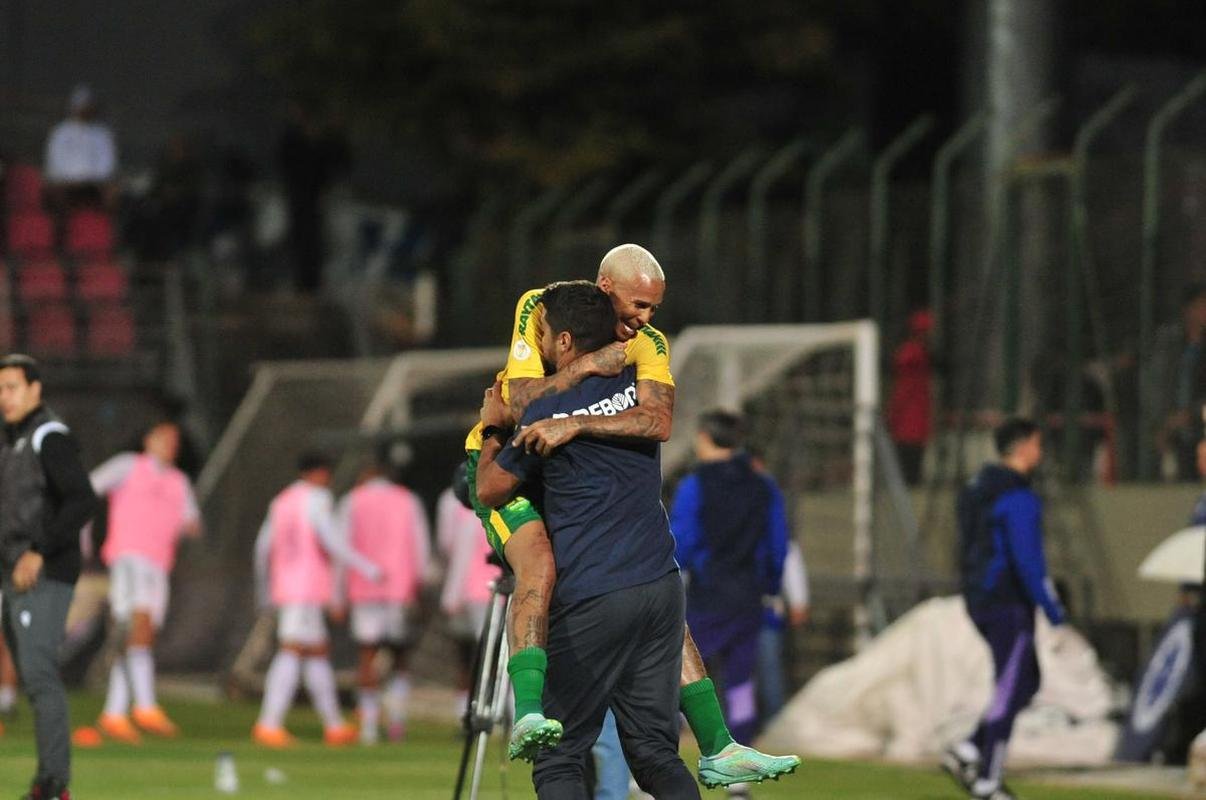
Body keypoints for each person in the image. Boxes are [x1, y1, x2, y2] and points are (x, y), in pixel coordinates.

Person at [463, 245, 793, 785]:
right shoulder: (542, 307)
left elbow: (658, 421)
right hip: (504, 454)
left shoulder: (648, 343)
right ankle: (528, 710)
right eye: (639, 304)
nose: (645, 318)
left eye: (654, 308)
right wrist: (582, 373)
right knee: (540, 565)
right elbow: (520, 406)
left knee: (648, 573)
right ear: (605, 289)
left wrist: (576, 422)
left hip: (561, 467)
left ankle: (717, 742)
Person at [475, 281, 701, 798]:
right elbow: (658, 420)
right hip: (661, 590)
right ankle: (720, 744)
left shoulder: (545, 412)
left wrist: (492, 430)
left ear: (564, 341)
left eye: (545, 337)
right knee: (656, 754)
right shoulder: (638, 396)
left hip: (596, 592)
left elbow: (490, 489)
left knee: (559, 758)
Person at [943, 418, 1067, 800]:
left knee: (1026, 681)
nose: (1040, 453)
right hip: (1008, 601)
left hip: (979, 596)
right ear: (1024, 446)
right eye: (1037, 444)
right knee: (1010, 689)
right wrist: (1051, 606)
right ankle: (989, 781)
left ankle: (969, 748)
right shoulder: (1017, 495)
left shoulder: (976, 487)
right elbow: (1027, 558)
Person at [670, 410, 790, 799]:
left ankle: (655, 767)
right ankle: (739, 780)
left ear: (705, 437)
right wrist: (768, 585)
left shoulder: (695, 485)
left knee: (678, 679)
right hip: (748, 598)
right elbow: (777, 543)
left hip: (706, 596)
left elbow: (681, 541)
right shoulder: (763, 486)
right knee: (740, 685)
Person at [0, 354, 98, 800]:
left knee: (39, 673)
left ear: (35, 389)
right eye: (0, 390)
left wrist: (39, 551)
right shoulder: (12, 440)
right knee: (32, 674)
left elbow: (82, 500)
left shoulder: (48, 436)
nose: (5, 398)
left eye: (12, 388)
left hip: (43, 572)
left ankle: (55, 786)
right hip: (13, 571)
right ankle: (47, 783)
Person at [251, 451, 381, 748]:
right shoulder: (318, 499)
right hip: (305, 587)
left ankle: (334, 725)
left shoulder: (282, 500)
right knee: (292, 649)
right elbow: (331, 540)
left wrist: (264, 588)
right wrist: (367, 567)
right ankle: (268, 724)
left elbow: (262, 546)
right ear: (320, 473)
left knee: (316, 652)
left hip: (286, 586)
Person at [89, 420, 200, 742]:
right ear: (148, 440)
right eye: (164, 438)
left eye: (175, 440)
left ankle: (114, 714)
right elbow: (89, 486)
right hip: (129, 556)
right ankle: (146, 704)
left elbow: (191, 521)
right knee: (139, 624)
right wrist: (81, 530)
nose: (170, 444)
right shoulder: (128, 465)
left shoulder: (179, 481)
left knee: (139, 635)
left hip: (159, 564)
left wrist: (182, 526)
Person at [336, 459, 431, 745]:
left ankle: (368, 726)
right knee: (400, 658)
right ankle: (397, 723)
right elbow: (421, 546)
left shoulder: (352, 501)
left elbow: (341, 547)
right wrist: (419, 585)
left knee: (367, 657)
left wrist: (337, 593)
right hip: (400, 589)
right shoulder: (408, 501)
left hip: (364, 589)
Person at [436, 468, 501, 716]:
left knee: (481, 655)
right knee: (500, 656)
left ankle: (477, 711)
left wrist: (451, 597)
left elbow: (459, 559)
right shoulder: (509, 513)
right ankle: (493, 711)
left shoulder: (473, 518)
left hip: (477, 594)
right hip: (500, 593)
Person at [1151, 284, 1206, 481]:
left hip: (1199, 428)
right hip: (1171, 431)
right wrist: (1162, 423)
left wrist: (1191, 414)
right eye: (1201, 306)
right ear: (1187, 309)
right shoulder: (1169, 344)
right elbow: (1157, 385)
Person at [757, 540, 809, 723]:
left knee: (769, 673)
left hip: (765, 614)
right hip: (733, 612)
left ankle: (773, 723)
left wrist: (798, 600)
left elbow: (786, 556)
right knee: (739, 680)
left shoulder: (773, 535)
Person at [44, 84, 118, 210]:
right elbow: (54, 160)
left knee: (112, 191)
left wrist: (90, 178)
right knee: (54, 191)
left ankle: (101, 220)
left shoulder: (102, 133)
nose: (83, 110)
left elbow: (107, 162)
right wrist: (71, 179)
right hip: (66, 182)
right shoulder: (61, 132)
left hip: (94, 183)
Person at [887, 309, 935, 485]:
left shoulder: (914, 354)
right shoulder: (913, 354)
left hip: (913, 412)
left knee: (911, 449)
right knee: (909, 451)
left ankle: (910, 479)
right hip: (910, 412)